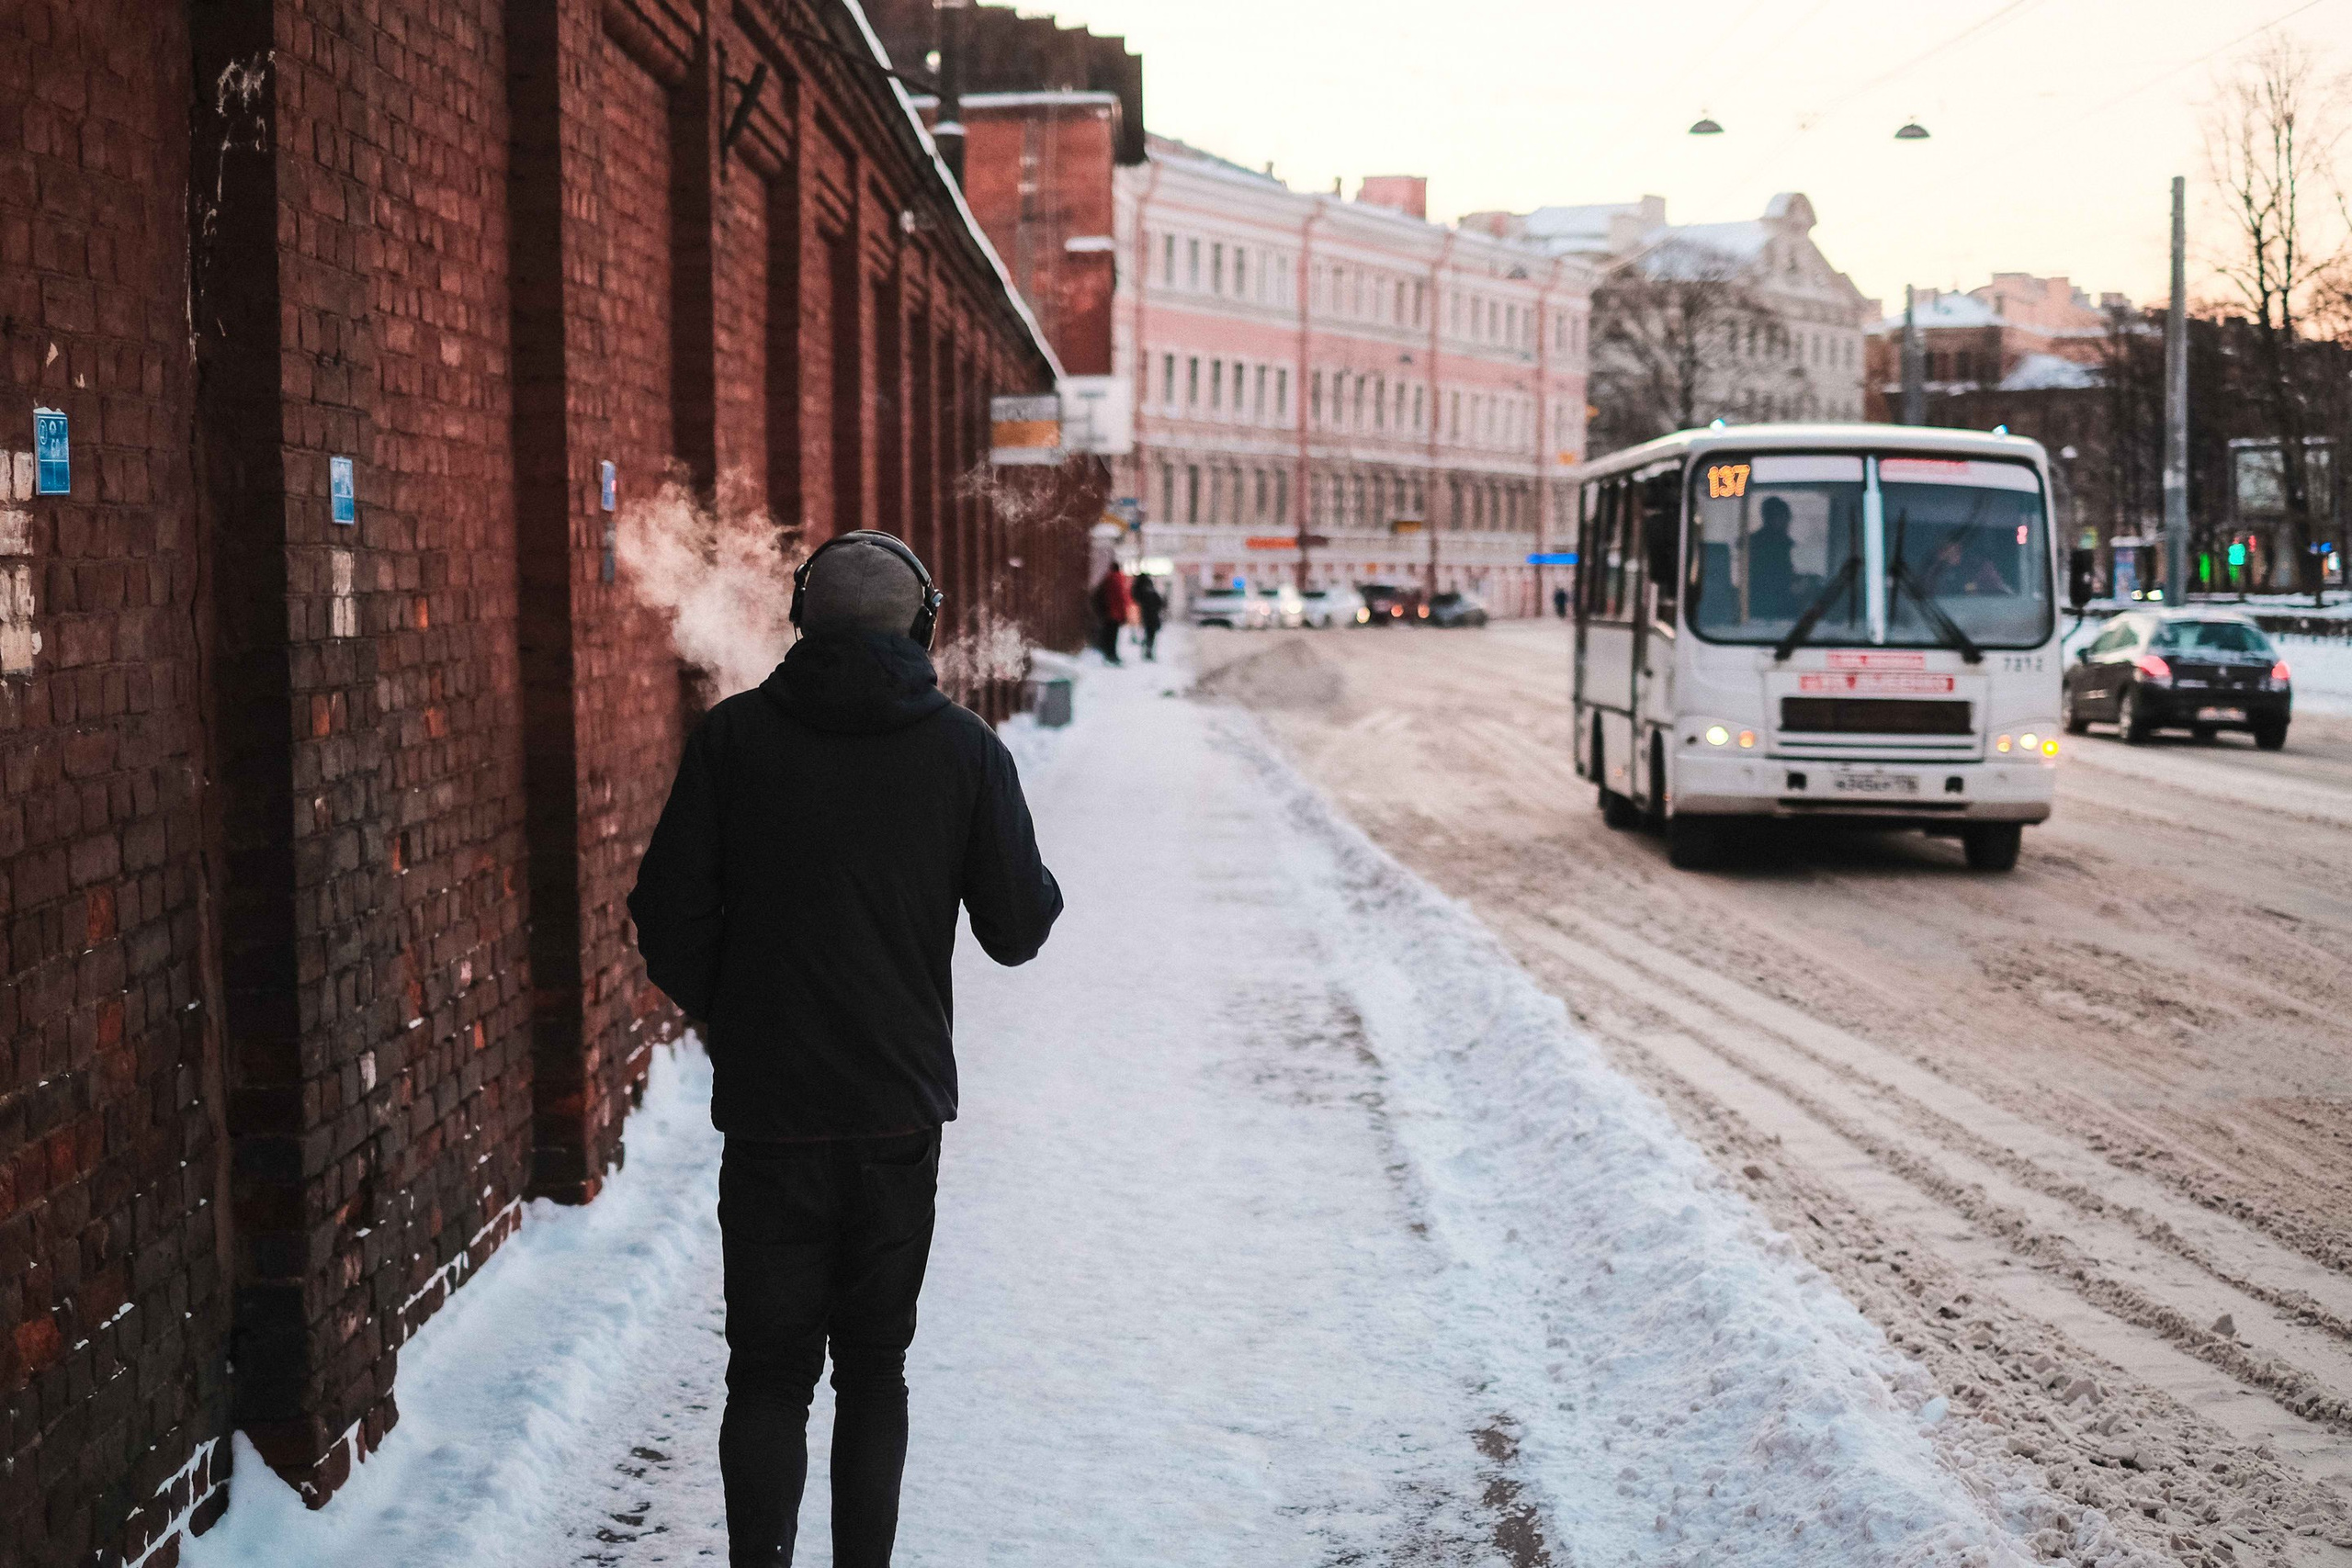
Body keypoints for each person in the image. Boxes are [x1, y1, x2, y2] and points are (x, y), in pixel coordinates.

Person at [628, 531, 1063, 1568]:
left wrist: (739, 1016)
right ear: (924, 624)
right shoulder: (964, 751)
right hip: (896, 1111)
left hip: (774, 1108)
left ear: (800, 618)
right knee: (874, 1369)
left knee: (767, 1375)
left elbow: (666, 914)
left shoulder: (734, 742)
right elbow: (1016, 930)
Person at [1747, 497, 1797, 620]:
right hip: (1768, 610)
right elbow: (1773, 577)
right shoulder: (1767, 544)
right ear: (1771, 519)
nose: (1787, 522)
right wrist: (1794, 584)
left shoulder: (1779, 543)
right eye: (1783, 517)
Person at [1091, 562, 1132, 664]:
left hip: (1108, 612)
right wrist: (1124, 614)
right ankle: (1111, 655)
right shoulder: (1118, 579)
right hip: (1115, 613)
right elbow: (1121, 598)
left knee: (1108, 634)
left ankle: (1109, 654)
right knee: (1113, 636)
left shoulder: (1107, 579)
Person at [1130, 571, 1166, 660]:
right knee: (1151, 634)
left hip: (1146, 614)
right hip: (1152, 615)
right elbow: (1160, 603)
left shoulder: (1141, 591)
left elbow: (1135, 596)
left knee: (1148, 633)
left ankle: (1147, 650)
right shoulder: (1151, 591)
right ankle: (1148, 651)